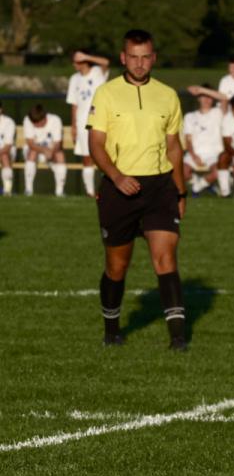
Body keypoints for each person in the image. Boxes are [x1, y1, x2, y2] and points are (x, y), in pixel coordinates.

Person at [88, 28, 188, 350]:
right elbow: (96, 144)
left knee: (165, 258)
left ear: (154, 58)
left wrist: (181, 191)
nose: (140, 63)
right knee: (117, 265)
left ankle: (178, 340)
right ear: (123, 58)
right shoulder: (106, 94)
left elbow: (174, 148)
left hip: (160, 187)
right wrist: (116, 177)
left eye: (146, 57)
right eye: (134, 57)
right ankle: (112, 330)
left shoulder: (168, 95)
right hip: (120, 188)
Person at [65, 50, 111, 197]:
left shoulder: (97, 72)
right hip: (82, 122)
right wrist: (73, 126)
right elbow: (74, 104)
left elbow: (106, 62)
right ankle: (90, 192)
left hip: (102, 120)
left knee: (107, 156)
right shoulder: (74, 79)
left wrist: (86, 57)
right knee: (87, 157)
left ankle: (109, 189)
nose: (74, 64)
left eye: (76, 61)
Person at [183, 84, 226, 195]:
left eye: (209, 96)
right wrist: (193, 155)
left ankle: (197, 187)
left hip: (215, 154)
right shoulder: (189, 116)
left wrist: (202, 90)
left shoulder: (218, 113)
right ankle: (206, 184)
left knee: (218, 172)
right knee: (181, 173)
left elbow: (224, 98)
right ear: (198, 98)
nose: (207, 99)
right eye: (203, 96)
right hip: (195, 154)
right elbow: (188, 139)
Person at [21, 104, 67, 197]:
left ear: (45, 118)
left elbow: (58, 143)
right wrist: (44, 150)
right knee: (32, 152)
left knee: (60, 155)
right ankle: (28, 190)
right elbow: (30, 143)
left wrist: (51, 152)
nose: (36, 126)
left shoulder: (55, 120)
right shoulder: (27, 120)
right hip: (34, 151)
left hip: (51, 151)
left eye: (38, 123)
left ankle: (60, 192)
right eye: (34, 123)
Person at [0, 103, 18, 195]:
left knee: (4, 156)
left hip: (7, 152)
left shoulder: (8, 122)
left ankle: (7, 190)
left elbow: (8, 146)